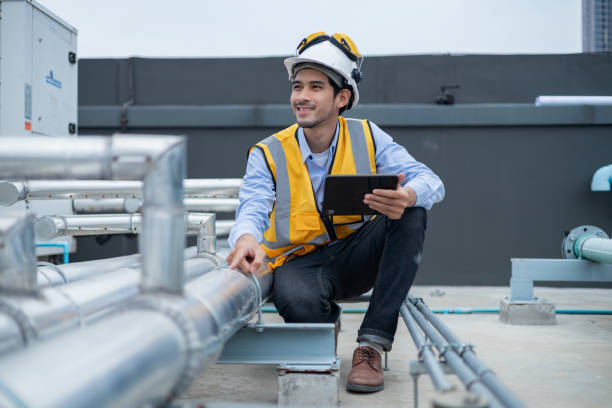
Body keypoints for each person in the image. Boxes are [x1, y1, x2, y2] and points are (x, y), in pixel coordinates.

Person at [227, 32, 444, 393]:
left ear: (341, 97)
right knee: (297, 302)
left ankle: (371, 346)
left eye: (315, 87)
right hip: (301, 264)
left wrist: (406, 194)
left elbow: (430, 180)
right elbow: (253, 205)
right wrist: (247, 237)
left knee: (412, 211)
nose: (302, 97)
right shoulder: (268, 152)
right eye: (298, 87)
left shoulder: (367, 136)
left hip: (357, 254)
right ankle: (324, 323)